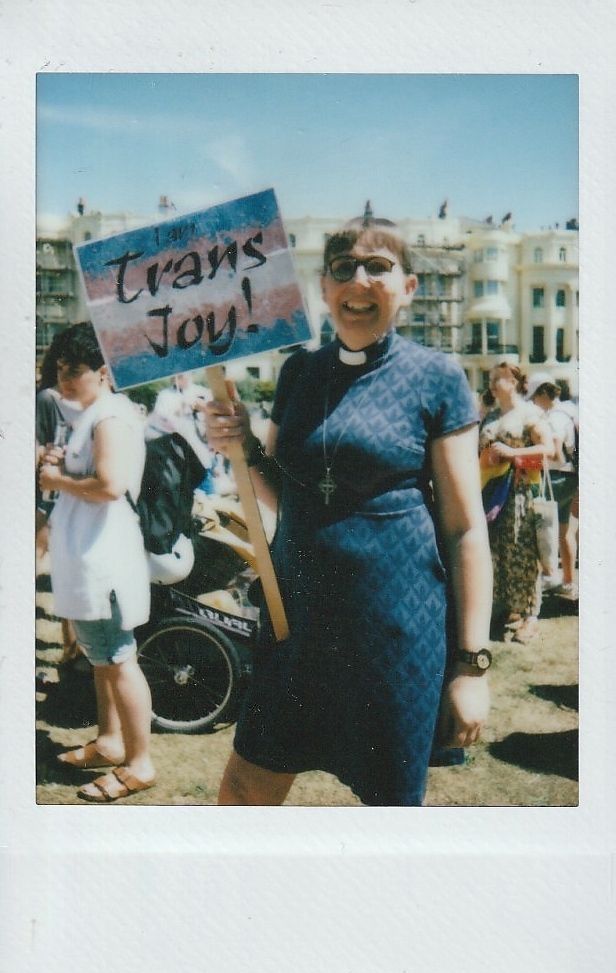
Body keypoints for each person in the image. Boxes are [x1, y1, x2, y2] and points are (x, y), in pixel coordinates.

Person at [204, 216, 493, 807]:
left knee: (387, 810)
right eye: (343, 269)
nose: (357, 280)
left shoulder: (437, 378)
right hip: (298, 624)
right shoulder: (299, 373)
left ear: (408, 287)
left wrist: (471, 664)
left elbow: (465, 530)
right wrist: (242, 448)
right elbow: (286, 494)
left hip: (394, 635)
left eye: (378, 267)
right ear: (324, 287)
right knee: (243, 789)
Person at [38, 322, 155, 802]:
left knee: (119, 660)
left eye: (77, 370)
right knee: (103, 660)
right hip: (89, 557)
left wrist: (56, 481)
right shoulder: (93, 414)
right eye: (62, 370)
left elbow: (109, 484)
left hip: (103, 561)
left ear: (103, 372)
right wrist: (61, 467)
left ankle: (139, 763)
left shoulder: (109, 417)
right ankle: (110, 742)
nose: (66, 379)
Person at [479, 363, 554, 644]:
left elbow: (549, 450)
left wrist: (513, 452)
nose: (493, 384)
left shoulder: (528, 414)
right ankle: (511, 609)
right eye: (492, 379)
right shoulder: (492, 415)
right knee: (497, 549)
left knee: (522, 549)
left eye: (498, 378)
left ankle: (530, 615)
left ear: (513, 381)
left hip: (519, 491)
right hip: (491, 492)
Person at [36, 330, 85, 662]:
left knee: (70, 573)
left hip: (73, 497)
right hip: (47, 497)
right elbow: (37, 445)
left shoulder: (91, 402)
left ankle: (72, 649)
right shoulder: (48, 399)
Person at [527, 373, 578, 600]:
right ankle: (568, 581)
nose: (534, 402)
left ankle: (550, 577)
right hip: (570, 477)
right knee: (565, 532)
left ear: (544, 393)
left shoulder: (555, 418)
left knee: (542, 529)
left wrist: (528, 459)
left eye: (535, 397)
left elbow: (555, 454)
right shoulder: (570, 410)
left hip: (556, 477)